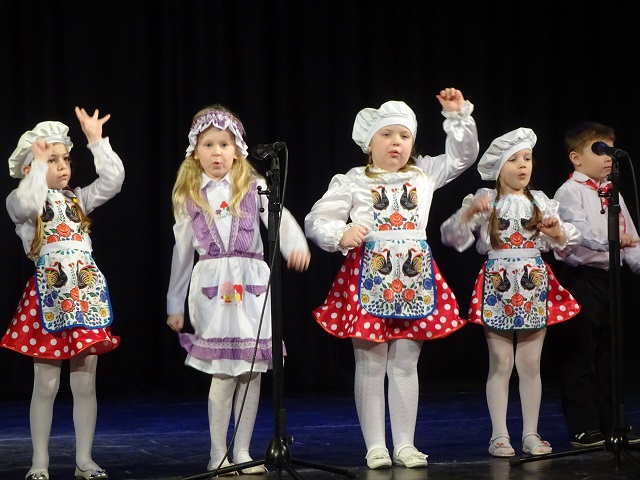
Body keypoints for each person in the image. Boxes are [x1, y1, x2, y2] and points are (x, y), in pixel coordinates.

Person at [304, 89, 479, 469]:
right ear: (370, 143)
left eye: (404, 135)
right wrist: (340, 234)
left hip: (413, 278)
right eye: (386, 134)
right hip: (370, 276)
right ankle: (375, 446)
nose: (396, 142)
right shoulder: (353, 180)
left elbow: (463, 156)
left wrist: (458, 118)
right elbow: (317, 218)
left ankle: (404, 444)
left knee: (405, 363)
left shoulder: (423, 173)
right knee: (370, 364)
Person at [166, 104, 311, 475]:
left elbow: (279, 216)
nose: (217, 152)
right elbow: (181, 254)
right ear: (195, 152)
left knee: (251, 369)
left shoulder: (253, 185)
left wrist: (294, 244)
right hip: (213, 287)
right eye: (209, 145)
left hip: (251, 285)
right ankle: (218, 452)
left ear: (237, 150)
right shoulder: (190, 196)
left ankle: (243, 450)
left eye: (224, 144)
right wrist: (174, 303)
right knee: (223, 370)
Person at [440, 127, 582, 458]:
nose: (523, 165)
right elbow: (451, 236)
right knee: (501, 362)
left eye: (527, 158)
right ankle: (499, 435)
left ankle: (531, 433)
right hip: (499, 284)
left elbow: (567, 241)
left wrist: (557, 232)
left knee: (530, 364)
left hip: (533, 282)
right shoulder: (486, 200)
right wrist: (468, 213)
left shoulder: (540, 201)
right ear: (498, 166)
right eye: (514, 159)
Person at [1, 108, 124, 480]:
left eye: (65, 158)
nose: (62, 166)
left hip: (84, 298)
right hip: (50, 301)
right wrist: (38, 168)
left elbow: (113, 180)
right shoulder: (23, 203)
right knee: (47, 384)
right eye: (51, 159)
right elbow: (27, 201)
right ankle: (40, 462)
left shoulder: (78, 199)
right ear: (30, 168)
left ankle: (84, 460)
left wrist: (96, 141)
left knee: (85, 383)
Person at [553, 121, 640, 448]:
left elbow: (631, 237)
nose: (608, 157)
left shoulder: (612, 190)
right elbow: (578, 235)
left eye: (610, 151)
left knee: (610, 352)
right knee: (581, 351)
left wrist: (633, 256)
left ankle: (614, 421)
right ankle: (584, 425)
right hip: (581, 279)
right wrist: (613, 242)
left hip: (611, 279)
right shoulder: (569, 192)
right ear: (576, 157)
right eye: (599, 150)